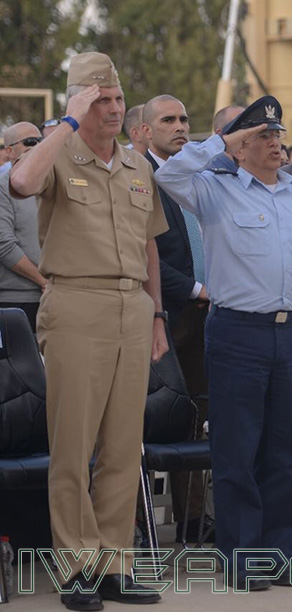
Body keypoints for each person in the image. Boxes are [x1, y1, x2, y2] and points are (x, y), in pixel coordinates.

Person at [9, 51, 168, 609]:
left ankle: (113, 564)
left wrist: (157, 313)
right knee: (74, 444)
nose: (112, 108)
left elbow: (150, 242)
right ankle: (75, 566)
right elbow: (22, 182)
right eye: (98, 99)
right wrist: (66, 123)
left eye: (118, 99)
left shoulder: (135, 164)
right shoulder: (56, 153)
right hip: (75, 302)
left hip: (132, 307)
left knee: (125, 445)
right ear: (78, 101)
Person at [156, 96, 292, 589]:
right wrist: (222, 142)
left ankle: (279, 554)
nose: (275, 144)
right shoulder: (215, 189)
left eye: (277, 136)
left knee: (282, 451)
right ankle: (242, 557)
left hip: (286, 332)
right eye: (263, 137)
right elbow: (169, 176)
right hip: (236, 332)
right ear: (242, 145)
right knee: (238, 449)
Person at [142, 94, 213, 543]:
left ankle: (193, 521)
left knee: (205, 414)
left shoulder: (198, 177)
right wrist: (195, 289)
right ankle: (145, 525)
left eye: (185, 118)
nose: (180, 126)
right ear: (145, 131)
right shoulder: (140, 177)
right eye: (168, 120)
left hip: (213, 315)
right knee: (169, 417)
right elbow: (147, 254)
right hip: (167, 315)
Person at [0, 122, 47, 330]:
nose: (37, 145)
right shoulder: (3, 187)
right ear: (9, 151)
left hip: (61, 296)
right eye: (30, 141)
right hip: (19, 302)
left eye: (40, 140)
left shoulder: (53, 181)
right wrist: (44, 282)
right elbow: (4, 245)